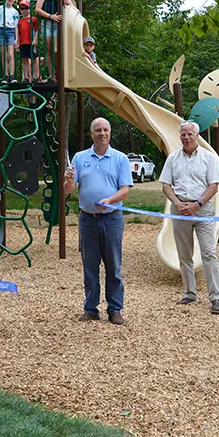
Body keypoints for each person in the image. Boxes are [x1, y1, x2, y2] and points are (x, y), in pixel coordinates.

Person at [63, 117, 132, 325]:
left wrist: (110, 200)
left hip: (112, 219)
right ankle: (91, 308)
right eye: (98, 130)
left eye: (105, 130)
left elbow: (125, 189)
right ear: (91, 134)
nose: (102, 133)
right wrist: (67, 180)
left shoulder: (120, 158)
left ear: (110, 133)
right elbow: (69, 190)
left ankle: (115, 309)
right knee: (90, 266)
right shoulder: (79, 158)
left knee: (114, 266)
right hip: (87, 220)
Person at [160, 120, 219, 314]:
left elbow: (213, 185)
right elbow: (166, 185)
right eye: (183, 135)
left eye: (189, 134)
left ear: (197, 136)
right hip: (180, 210)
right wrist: (178, 204)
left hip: (202, 210)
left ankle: (216, 297)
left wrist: (197, 204)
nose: (186, 138)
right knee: (184, 254)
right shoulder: (172, 159)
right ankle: (189, 292)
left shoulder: (209, 158)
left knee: (209, 253)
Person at [34, 0, 74, 81]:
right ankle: (51, 74)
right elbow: (37, 9)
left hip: (56, 25)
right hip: (47, 22)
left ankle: (57, 72)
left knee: (55, 50)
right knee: (48, 49)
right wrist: (51, 16)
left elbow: (68, 2)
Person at [0, 0, 19, 82]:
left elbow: (16, 25)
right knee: (4, 55)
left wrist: (17, 38)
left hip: (11, 31)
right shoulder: (0, 9)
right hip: (1, 30)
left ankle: (12, 76)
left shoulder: (15, 11)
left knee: (11, 54)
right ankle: (6, 76)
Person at [17, 0, 39, 83]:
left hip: (31, 42)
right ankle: (25, 77)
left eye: (26, 8)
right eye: (22, 9)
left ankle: (35, 77)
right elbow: (18, 33)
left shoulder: (33, 19)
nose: (24, 10)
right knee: (24, 60)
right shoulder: (20, 21)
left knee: (34, 59)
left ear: (29, 9)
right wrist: (18, 43)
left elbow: (37, 30)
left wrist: (36, 39)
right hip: (23, 43)